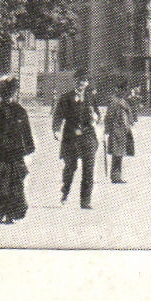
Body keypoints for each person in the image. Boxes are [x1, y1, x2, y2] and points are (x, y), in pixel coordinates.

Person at [0, 74, 34, 223]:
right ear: (1, 95)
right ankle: (0, 211)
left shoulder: (20, 111)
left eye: (11, 94)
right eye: (5, 94)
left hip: (15, 153)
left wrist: (28, 148)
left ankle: (11, 213)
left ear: (14, 94)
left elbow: (26, 131)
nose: (8, 97)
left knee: (15, 183)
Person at [52, 70, 101, 209]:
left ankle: (85, 200)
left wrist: (96, 118)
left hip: (88, 136)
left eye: (85, 81)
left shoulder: (91, 98)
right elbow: (58, 115)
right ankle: (65, 191)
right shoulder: (66, 97)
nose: (82, 83)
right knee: (70, 167)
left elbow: (98, 114)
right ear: (75, 81)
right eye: (80, 80)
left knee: (89, 169)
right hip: (71, 136)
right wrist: (56, 130)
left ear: (87, 83)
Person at [104, 82, 136, 184]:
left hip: (124, 131)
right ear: (119, 90)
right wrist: (107, 130)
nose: (126, 93)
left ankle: (117, 176)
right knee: (117, 154)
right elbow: (109, 116)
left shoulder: (123, 101)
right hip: (117, 131)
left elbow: (130, 114)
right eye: (124, 90)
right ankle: (115, 176)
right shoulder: (115, 101)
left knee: (120, 154)